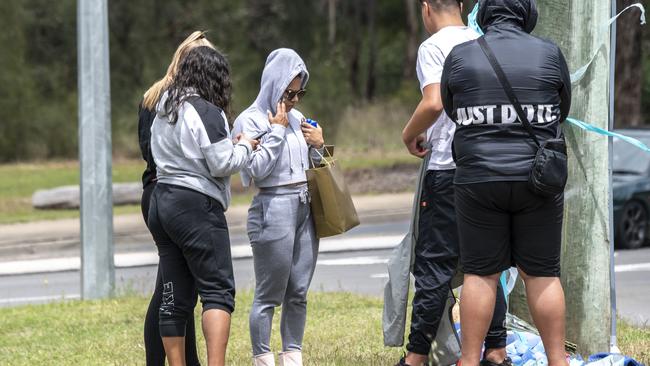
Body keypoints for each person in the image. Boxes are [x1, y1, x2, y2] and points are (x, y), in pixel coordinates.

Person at [440, 0, 572, 365]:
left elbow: (451, 108)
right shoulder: (549, 52)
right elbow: (562, 108)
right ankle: (557, 361)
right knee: (542, 274)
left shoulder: (461, 56)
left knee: (481, 274)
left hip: (478, 180)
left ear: (484, 15)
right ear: (526, 13)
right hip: (538, 180)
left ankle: (469, 361)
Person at [397, 1, 509, 366]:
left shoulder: (433, 47)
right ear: (461, 5)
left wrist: (409, 133)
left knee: (434, 268)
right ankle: (496, 352)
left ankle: (415, 358)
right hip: (487, 169)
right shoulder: (484, 38)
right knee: (486, 267)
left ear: (426, 8)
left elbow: (432, 103)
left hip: (446, 169)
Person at [148, 45, 258, 366]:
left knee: (173, 294)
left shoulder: (164, 106)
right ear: (214, 77)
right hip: (195, 206)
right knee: (217, 292)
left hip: (162, 201)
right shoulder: (207, 111)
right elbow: (222, 162)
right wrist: (247, 146)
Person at [232, 48, 324, 366]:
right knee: (270, 292)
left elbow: (315, 167)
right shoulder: (249, 119)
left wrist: (319, 145)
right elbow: (255, 169)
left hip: (304, 206)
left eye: (301, 92)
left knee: (298, 288)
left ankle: (293, 353)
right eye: (290, 92)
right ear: (274, 84)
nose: (295, 100)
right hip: (273, 206)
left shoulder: (298, 119)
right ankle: (262, 356)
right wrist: (277, 131)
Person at [138, 30, 213, 366]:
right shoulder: (183, 102)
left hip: (154, 194)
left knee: (176, 286)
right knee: (175, 289)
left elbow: (146, 150)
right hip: (177, 196)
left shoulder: (152, 96)